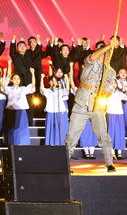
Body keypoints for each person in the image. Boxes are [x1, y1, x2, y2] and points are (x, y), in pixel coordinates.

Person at [64, 38, 118, 172]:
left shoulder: (111, 71)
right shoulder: (90, 63)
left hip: (97, 106)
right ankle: (64, 164)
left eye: (109, 55)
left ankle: (109, 163)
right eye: (105, 54)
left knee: (103, 135)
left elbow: (110, 89)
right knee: (72, 135)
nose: (107, 57)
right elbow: (93, 57)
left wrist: (104, 96)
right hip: (82, 104)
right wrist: (108, 46)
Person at [2, 59, 36, 146]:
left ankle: (23, 144)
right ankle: (11, 144)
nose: (17, 80)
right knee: (12, 129)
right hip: (12, 111)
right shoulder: (9, 89)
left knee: (22, 128)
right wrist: (5, 73)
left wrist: (33, 74)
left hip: (21, 110)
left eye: (18, 79)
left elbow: (32, 85)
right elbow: (3, 86)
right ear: (11, 80)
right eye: (15, 78)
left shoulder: (23, 89)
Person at [41, 72, 71, 146]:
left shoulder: (60, 91)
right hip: (50, 111)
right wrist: (41, 78)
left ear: (57, 82)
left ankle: (59, 144)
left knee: (59, 128)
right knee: (50, 128)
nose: (53, 82)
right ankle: (50, 143)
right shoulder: (48, 91)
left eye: (55, 81)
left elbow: (67, 90)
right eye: (52, 81)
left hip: (59, 112)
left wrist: (66, 79)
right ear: (49, 82)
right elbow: (42, 89)